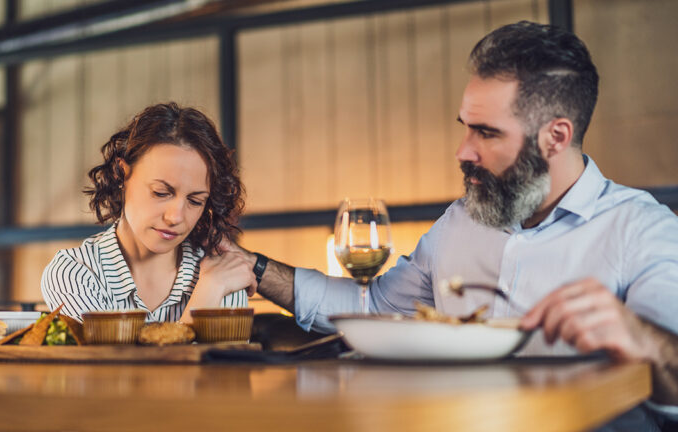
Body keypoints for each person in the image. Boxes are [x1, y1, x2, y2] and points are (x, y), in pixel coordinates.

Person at [231, 21, 678, 428]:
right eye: (465, 127)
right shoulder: (461, 220)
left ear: (555, 137)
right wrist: (254, 269)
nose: (463, 151)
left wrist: (641, 338)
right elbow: (372, 309)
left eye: (486, 132)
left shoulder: (640, 229)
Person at [41, 103, 256, 324]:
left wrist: (214, 284)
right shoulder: (76, 273)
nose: (176, 218)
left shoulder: (224, 276)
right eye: (161, 193)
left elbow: (227, 359)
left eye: (195, 201)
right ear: (120, 174)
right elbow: (108, 360)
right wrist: (206, 295)